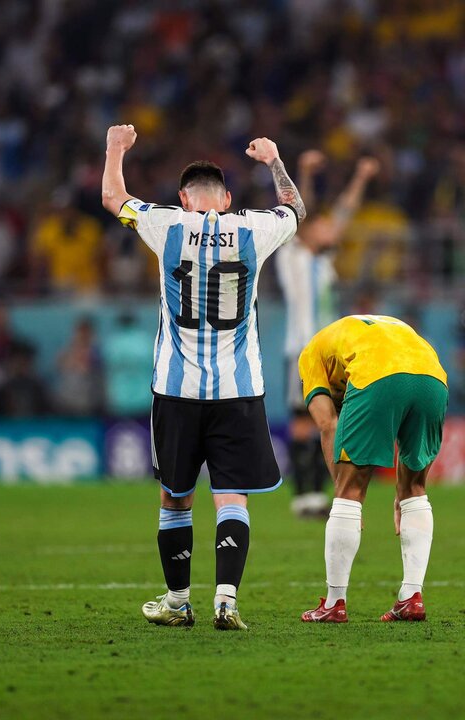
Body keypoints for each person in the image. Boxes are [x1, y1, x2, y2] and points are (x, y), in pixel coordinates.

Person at [102, 124, 305, 629]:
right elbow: (296, 210)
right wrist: (274, 160)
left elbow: (113, 197)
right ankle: (226, 600)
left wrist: (115, 147)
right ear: (229, 198)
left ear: (184, 200)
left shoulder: (166, 224)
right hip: (240, 389)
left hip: (176, 389)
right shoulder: (255, 228)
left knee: (176, 495)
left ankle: (177, 600)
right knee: (230, 494)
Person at [297, 314, 448, 622]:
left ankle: (334, 604)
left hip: (377, 375)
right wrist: (399, 496)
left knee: (349, 491)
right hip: (433, 375)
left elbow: (328, 424)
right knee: (415, 490)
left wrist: (344, 495)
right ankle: (412, 597)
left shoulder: (310, 353)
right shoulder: (381, 327)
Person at [276, 151, 379, 518]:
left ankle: (316, 495)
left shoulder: (324, 262)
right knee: (303, 421)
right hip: (302, 350)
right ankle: (302, 494)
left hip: (330, 353)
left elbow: (344, 214)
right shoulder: (292, 256)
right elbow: (298, 212)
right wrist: (303, 173)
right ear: (307, 230)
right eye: (320, 227)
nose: (327, 230)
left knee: (326, 421)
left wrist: (361, 177)